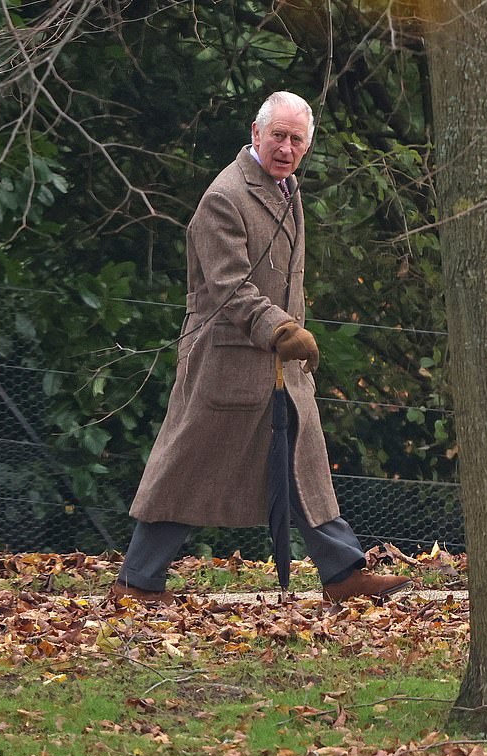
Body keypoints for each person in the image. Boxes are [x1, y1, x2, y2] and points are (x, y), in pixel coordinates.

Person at [113, 91, 410, 605]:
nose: (287, 147)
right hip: (225, 364)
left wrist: (287, 339)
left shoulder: (287, 190)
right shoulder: (224, 197)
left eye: (297, 139)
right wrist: (281, 331)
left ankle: (342, 572)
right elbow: (230, 287)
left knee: (304, 466)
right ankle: (137, 582)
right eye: (279, 135)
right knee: (188, 468)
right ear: (256, 133)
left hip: (278, 366)